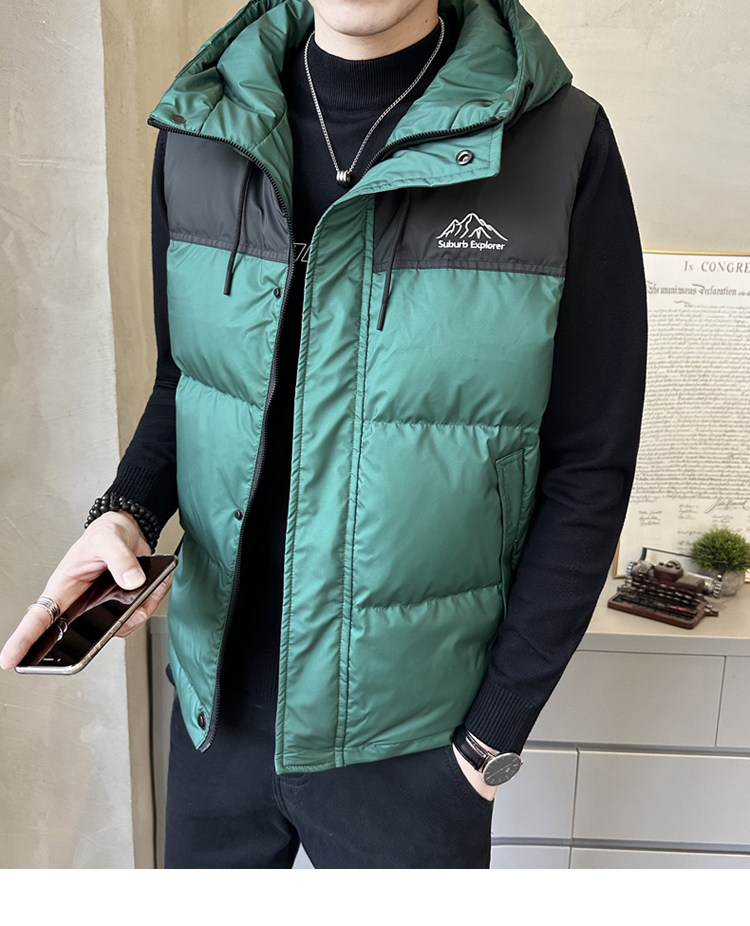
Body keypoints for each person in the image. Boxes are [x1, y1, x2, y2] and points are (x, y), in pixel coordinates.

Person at [1, 0, 647, 868]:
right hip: (214, 722)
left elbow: (589, 464)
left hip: (414, 745)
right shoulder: (203, 127)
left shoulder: (560, 144)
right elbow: (189, 384)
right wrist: (125, 511)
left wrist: (490, 739)